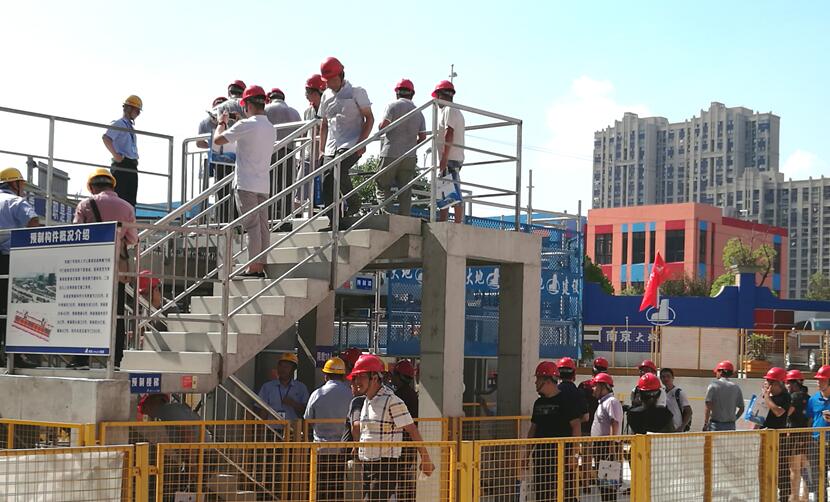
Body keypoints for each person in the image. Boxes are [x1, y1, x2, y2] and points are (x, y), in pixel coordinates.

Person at [70, 168, 138, 368]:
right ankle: (116, 360)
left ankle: (81, 359)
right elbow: (133, 239)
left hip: (89, 269)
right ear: (112, 185)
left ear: (92, 187)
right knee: (116, 314)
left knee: (84, 313)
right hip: (116, 269)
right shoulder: (126, 207)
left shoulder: (85, 205)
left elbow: (76, 234)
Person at [349, 354, 434, 502]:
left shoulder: (392, 401)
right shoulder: (366, 402)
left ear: (374, 378)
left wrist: (425, 458)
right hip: (367, 464)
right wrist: (358, 447)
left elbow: (412, 429)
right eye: (355, 377)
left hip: (385, 466)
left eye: (361, 376)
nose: (356, 381)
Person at [213, 85, 276, 278]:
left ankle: (253, 267)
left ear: (247, 104)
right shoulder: (270, 127)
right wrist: (240, 122)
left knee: (252, 227)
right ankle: (261, 265)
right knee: (263, 227)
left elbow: (218, 141)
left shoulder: (246, 125)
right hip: (263, 184)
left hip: (246, 184)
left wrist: (221, 123)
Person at [317, 56, 374, 230]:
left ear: (340, 75)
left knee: (339, 170)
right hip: (331, 145)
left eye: (332, 79)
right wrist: (321, 150)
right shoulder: (326, 95)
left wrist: (362, 142)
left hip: (351, 142)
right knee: (327, 181)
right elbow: (324, 124)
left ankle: (354, 201)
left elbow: (369, 118)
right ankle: (334, 221)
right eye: (326, 80)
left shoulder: (357, 92)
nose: (329, 84)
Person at [0, 167, 40, 369]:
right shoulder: (15, 201)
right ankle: (13, 356)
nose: (23, 188)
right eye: (21, 184)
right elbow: (33, 220)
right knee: (13, 308)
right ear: (14, 183)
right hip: (10, 260)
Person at [527, 361, 582, 502]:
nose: (535, 383)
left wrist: (574, 454)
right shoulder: (538, 403)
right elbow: (533, 429)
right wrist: (526, 454)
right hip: (541, 457)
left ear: (547, 380)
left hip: (562, 457)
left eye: (538, 379)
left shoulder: (566, 401)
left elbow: (576, 426)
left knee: (564, 493)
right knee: (542, 494)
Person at [304, 357, 353, 501]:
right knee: (337, 488)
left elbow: (307, 420)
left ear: (325, 375)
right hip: (342, 451)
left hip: (320, 450)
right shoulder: (350, 394)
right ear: (343, 376)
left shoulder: (317, 394)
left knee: (320, 488)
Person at [376, 79, 427, 216]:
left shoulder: (392, 106)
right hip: (409, 156)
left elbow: (383, 126)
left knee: (382, 185)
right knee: (405, 190)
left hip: (390, 153)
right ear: (412, 94)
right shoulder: (419, 112)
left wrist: (380, 126)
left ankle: (386, 215)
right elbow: (423, 137)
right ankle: (404, 217)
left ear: (397, 93)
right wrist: (411, 146)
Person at [265, 87, 302, 231]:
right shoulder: (294, 112)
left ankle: (270, 221)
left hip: (270, 153)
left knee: (269, 189)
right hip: (290, 153)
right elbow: (301, 134)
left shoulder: (266, 110)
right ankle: (286, 222)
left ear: (270, 98)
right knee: (286, 189)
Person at [433, 80, 465, 224]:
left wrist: (444, 158)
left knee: (453, 191)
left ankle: (457, 224)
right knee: (445, 192)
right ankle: (444, 221)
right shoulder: (453, 110)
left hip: (450, 158)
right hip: (451, 157)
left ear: (440, 94)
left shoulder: (449, 110)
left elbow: (449, 133)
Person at [758, 367, 792, 501]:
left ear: (778, 383)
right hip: (765, 437)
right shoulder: (767, 397)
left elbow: (778, 412)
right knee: (763, 467)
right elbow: (758, 415)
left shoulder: (785, 397)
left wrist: (766, 397)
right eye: (767, 381)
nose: (767, 384)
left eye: (770, 382)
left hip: (779, 438)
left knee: (781, 468)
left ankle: (784, 497)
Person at [102, 95, 142, 207]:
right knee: (120, 197)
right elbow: (106, 138)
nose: (138, 114)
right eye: (137, 111)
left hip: (131, 165)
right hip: (122, 164)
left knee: (130, 200)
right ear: (129, 109)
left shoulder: (129, 127)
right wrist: (116, 155)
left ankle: (128, 218)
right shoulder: (119, 123)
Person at [591, 372, 624, 502]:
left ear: (603, 386)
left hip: (607, 447)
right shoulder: (603, 402)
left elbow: (614, 423)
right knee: (604, 485)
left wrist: (611, 448)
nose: (593, 388)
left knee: (608, 487)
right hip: (601, 447)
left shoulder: (611, 402)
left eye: (595, 386)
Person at [391, 359, 419, 502]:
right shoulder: (412, 394)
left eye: (394, 374)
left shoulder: (398, 397)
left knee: (399, 476)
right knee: (404, 475)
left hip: (401, 444)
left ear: (400, 376)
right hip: (410, 443)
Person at [257, 353, 309, 420]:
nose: (282, 369)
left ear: (293, 369)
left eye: (286, 367)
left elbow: (307, 411)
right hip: (272, 425)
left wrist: (293, 404)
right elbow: (261, 409)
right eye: (281, 366)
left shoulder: (301, 388)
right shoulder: (267, 387)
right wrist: (263, 425)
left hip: (292, 425)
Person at [805, 365, 830, 500]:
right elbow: (810, 419)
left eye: (822, 380)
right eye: (818, 380)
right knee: (817, 476)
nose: (818, 382)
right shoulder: (813, 399)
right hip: (816, 442)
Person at [786, 369, 810, 502]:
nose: (787, 386)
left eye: (788, 383)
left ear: (794, 383)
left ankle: (794, 497)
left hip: (794, 435)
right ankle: (805, 497)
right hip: (806, 436)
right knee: (805, 467)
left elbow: (787, 413)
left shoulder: (794, 397)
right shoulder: (808, 397)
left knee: (794, 469)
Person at [703, 360, 745, 431]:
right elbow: (742, 408)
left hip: (715, 425)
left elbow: (708, 406)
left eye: (717, 371)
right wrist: (734, 418)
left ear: (720, 372)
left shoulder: (713, 386)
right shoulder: (736, 387)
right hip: (731, 426)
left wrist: (706, 423)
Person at [660, 367, 692, 432]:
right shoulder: (660, 392)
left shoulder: (679, 393)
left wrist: (682, 427)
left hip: (676, 429)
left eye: (668, 376)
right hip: (663, 429)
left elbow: (689, 411)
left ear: (673, 378)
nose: (666, 379)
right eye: (663, 377)